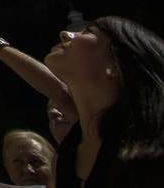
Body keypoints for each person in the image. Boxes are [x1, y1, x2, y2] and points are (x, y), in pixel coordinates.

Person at [43, 17, 164, 187]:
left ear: (116, 65)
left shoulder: (153, 157)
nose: (65, 34)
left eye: (88, 32)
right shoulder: (66, 155)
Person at [0, 3, 78, 143]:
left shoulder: (103, 131)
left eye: (91, 32)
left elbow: (61, 92)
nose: (54, 112)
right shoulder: (66, 161)